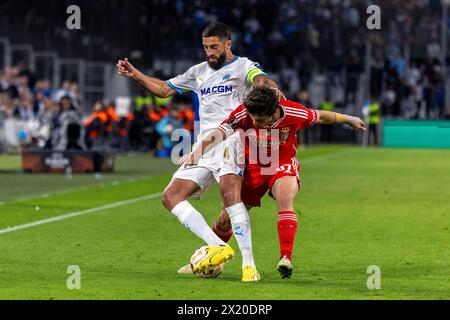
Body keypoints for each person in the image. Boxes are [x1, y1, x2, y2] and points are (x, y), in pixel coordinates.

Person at [117, 22, 284, 281]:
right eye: (206, 47)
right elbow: (163, 90)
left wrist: (268, 87)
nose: (210, 52)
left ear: (228, 44)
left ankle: (249, 267)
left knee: (230, 198)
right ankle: (217, 245)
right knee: (170, 197)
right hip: (203, 144)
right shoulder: (198, 72)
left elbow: (260, 78)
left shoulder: (243, 66)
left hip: (232, 140)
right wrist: (135, 75)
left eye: (214, 47)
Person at [182, 87, 366, 279]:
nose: (254, 122)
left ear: (275, 112)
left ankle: (285, 258)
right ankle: (207, 259)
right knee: (225, 219)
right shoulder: (245, 112)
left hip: (282, 164)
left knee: (285, 200)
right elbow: (220, 131)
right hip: (252, 169)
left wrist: (348, 119)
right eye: (253, 119)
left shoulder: (294, 113)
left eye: (260, 120)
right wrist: (198, 151)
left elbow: (321, 116)